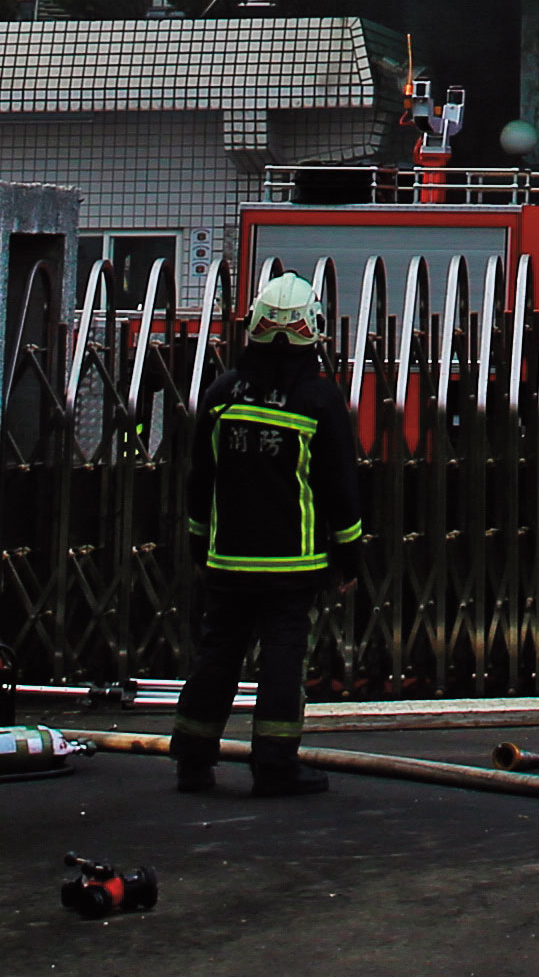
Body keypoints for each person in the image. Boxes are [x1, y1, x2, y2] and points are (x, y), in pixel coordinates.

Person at [168, 267, 367, 795]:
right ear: (314, 330)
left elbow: (199, 480)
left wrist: (196, 545)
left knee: (217, 655)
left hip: (227, 561)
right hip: (291, 565)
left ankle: (192, 759)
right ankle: (275, 765)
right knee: (282, 661)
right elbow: (339, 490)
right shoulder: (319, 401)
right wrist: (350, 559)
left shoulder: (222, 394)